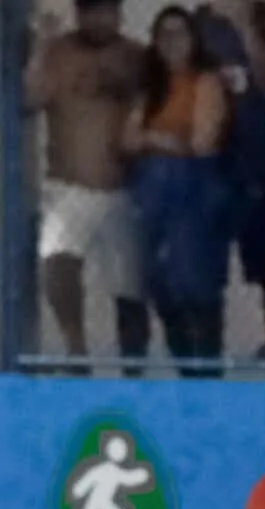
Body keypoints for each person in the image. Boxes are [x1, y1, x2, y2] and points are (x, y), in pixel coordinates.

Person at [25, 0, 149, 361]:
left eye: (106, 10)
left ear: (119, 13)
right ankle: (76, 350)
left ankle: (134, 369)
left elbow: (155, 101)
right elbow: (31, 98)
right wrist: (41, 46)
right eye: (90, 10)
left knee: (130, 288)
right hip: (69, 185)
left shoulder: (137, 57)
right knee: (56, 262)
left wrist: (124, 90)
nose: (99, 19)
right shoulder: (58, 52)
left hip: (124, 187)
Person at [123, 5, 232, 369]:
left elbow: (201, 143)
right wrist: (167, 139)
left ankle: (206, 373)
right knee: (160, 287)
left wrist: (154, 138)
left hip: (194, 193)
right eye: (163, 35)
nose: (172, 42)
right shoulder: (150, 87)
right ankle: (184, 365)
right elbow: (127, 139)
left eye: (179, 33)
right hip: (153, 197)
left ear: (193, 40)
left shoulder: (206, 81)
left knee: (195, 287)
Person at [193, 0, 265, 355]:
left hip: (257, 151)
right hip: (214, 154)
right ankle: (207, 355)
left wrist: (247, 29)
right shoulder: (199, 21)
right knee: (208, 256)